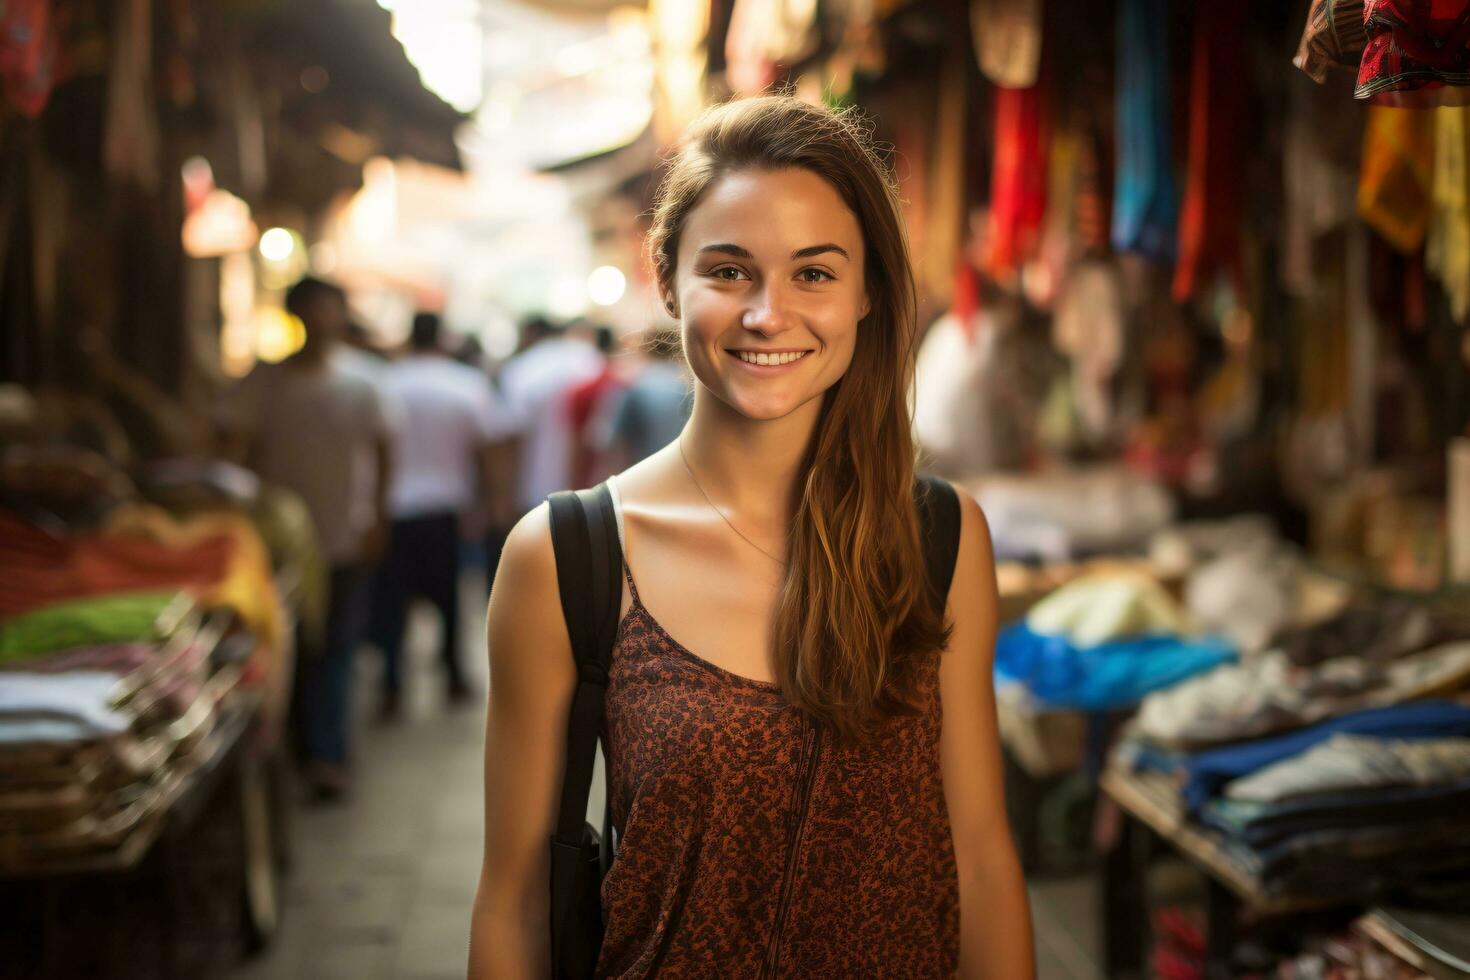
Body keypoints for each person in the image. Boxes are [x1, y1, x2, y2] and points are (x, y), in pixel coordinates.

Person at [470, 96, 1033, 977]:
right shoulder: (567, 557)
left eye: (814, 273)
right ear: (666, 281)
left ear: (869, 294)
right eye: (729, 271)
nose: (770, 315)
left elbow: (985, 864)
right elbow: (512, 903)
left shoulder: (938, 537)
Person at [217, 276, 392, 801]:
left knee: (335, 647)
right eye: (312, 308)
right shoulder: (264, 383)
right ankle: (304, 749)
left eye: (329, 307)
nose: (322, 318)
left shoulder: (364, 382)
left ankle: (326, 754)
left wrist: (378, 519)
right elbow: (236, 449)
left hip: (344, 537)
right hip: (280, 546)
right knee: (291, 648)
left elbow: (384, 455)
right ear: (296, 314)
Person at [370, 312, 518, 719]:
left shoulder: (386, 383)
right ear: (443, 338)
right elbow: (491, 447)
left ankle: (392, 685)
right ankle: (453, 677)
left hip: (393, 509)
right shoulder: (465, 385)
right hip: (446, 509)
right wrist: (494, 502)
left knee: (392, 601)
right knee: (449, 598)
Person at [497, 316, 603, 515]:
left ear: (529, 334)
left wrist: (503, 498)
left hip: (534, 490)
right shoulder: (589, 359)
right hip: (592, 491)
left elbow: (509, 438)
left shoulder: (523, 367)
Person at [592, 327, 693, 470]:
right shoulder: (693, 387)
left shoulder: (636, 385)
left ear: (646, 349)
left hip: (643, 472)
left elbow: (616, 444)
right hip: (686, 473)